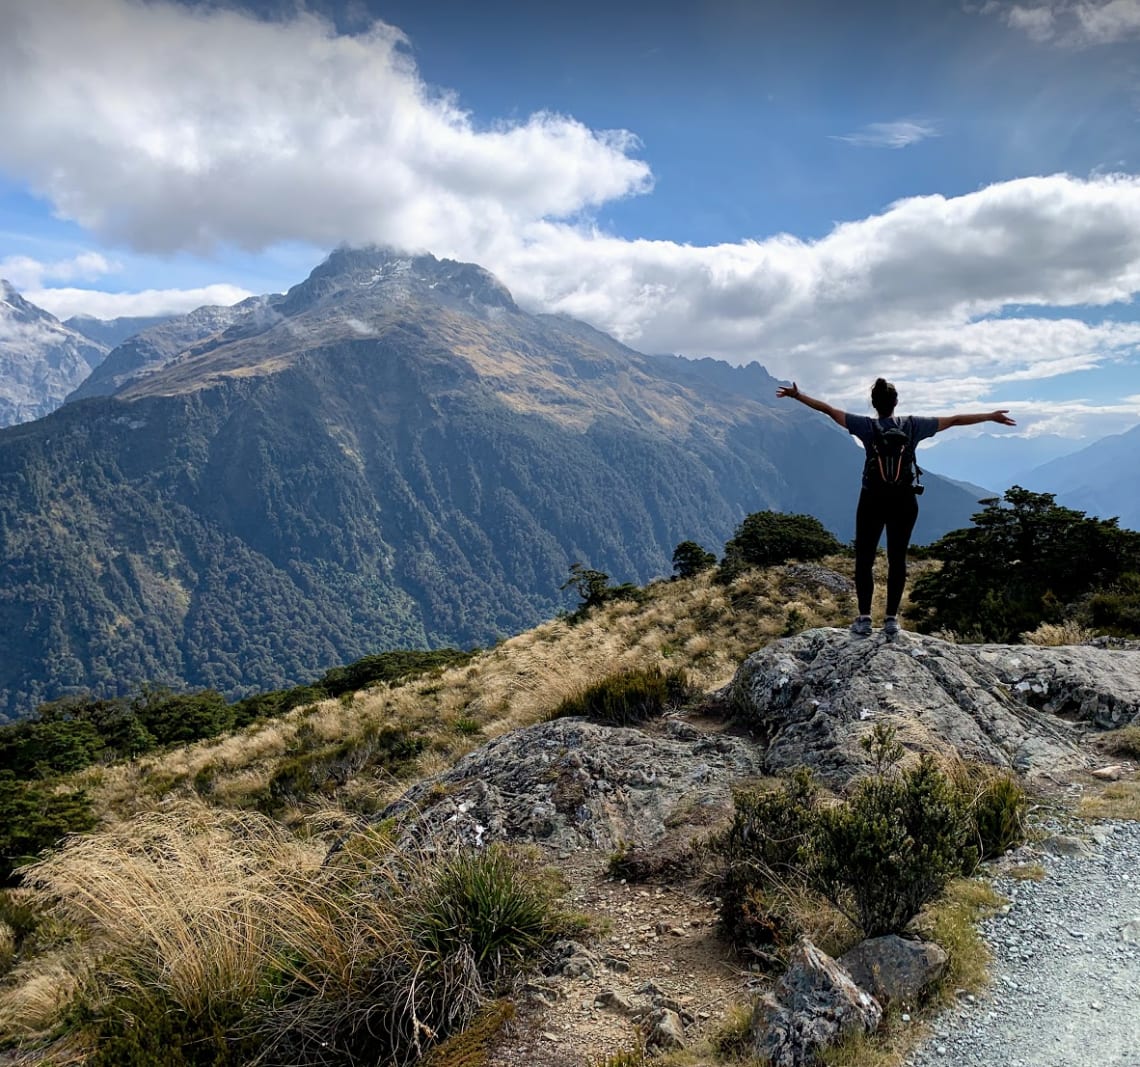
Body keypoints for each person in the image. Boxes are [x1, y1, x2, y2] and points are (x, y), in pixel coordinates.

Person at [776, 377, 1015, 636]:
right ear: (896, 402)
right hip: (904, 501)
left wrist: (797, 396)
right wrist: (991, 416)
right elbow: (955, 419)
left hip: (872, 500)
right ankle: (891, 620)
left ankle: (865, 619)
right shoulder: (913, 426)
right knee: (897, 559)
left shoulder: (865, 426)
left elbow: (829, 410)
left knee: (864, 559)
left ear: (873, 404)